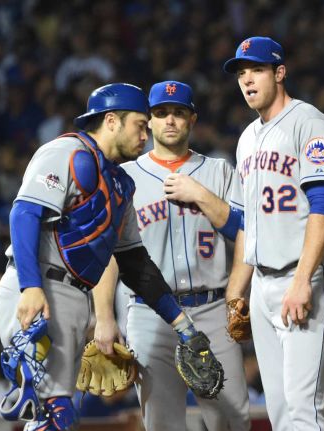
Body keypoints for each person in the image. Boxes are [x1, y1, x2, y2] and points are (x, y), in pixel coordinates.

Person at [0, 83, 220, 430]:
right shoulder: (67, 151)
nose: (146, 133)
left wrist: (181, 324)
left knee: (56, 416)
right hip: (38, 286)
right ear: (112, 120)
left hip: (73, 296)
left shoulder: (120, 184)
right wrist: (30, 287)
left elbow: (134, 263)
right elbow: (24, 213)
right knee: (52, 417)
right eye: (140, 124)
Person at [92, 80, 250, 430]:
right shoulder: (125, 175)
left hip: (213, 309)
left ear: (192, 119)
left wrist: (201, 195)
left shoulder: (218, 171)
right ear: (148, 120)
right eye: (161, 113)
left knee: (234, 419)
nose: (170, 121)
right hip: (150, 316)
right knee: (161, 423)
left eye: (179, 113)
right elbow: (108, 255)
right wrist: (103, 316)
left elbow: (244, 231)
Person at [223, 36, 324, 430]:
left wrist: (303, 280)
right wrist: (238, 288)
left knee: (304, 409)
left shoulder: (310, 122)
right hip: (261, 282)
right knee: (279, 412)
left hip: (300, 276)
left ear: (279, 72)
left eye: (256, 70)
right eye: (241, 73)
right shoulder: (246, 138)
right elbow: (247, 222)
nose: (247, 80)